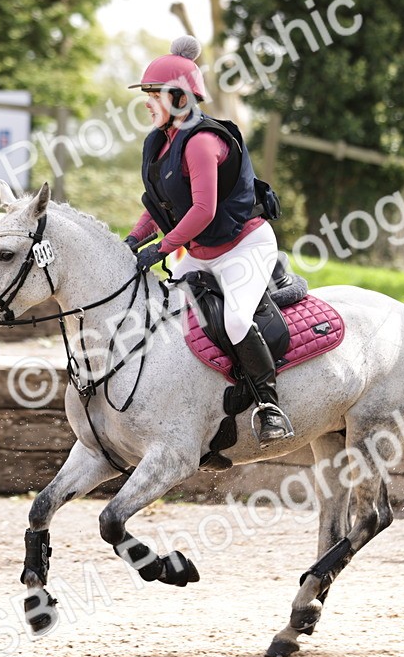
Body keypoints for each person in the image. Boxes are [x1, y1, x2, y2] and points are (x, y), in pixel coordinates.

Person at [125, 36, 292, 445]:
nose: (147, 103)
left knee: (235, 321)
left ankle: (269, 406)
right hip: (201, 251)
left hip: (245, 246)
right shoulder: (160, 142)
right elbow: (162, 207)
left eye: (154, 95)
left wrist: (161, 249)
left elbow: (202, 210)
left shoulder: (201, 142)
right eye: (148, 95)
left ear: (180, 98)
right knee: (160, 310)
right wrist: (133, 239)